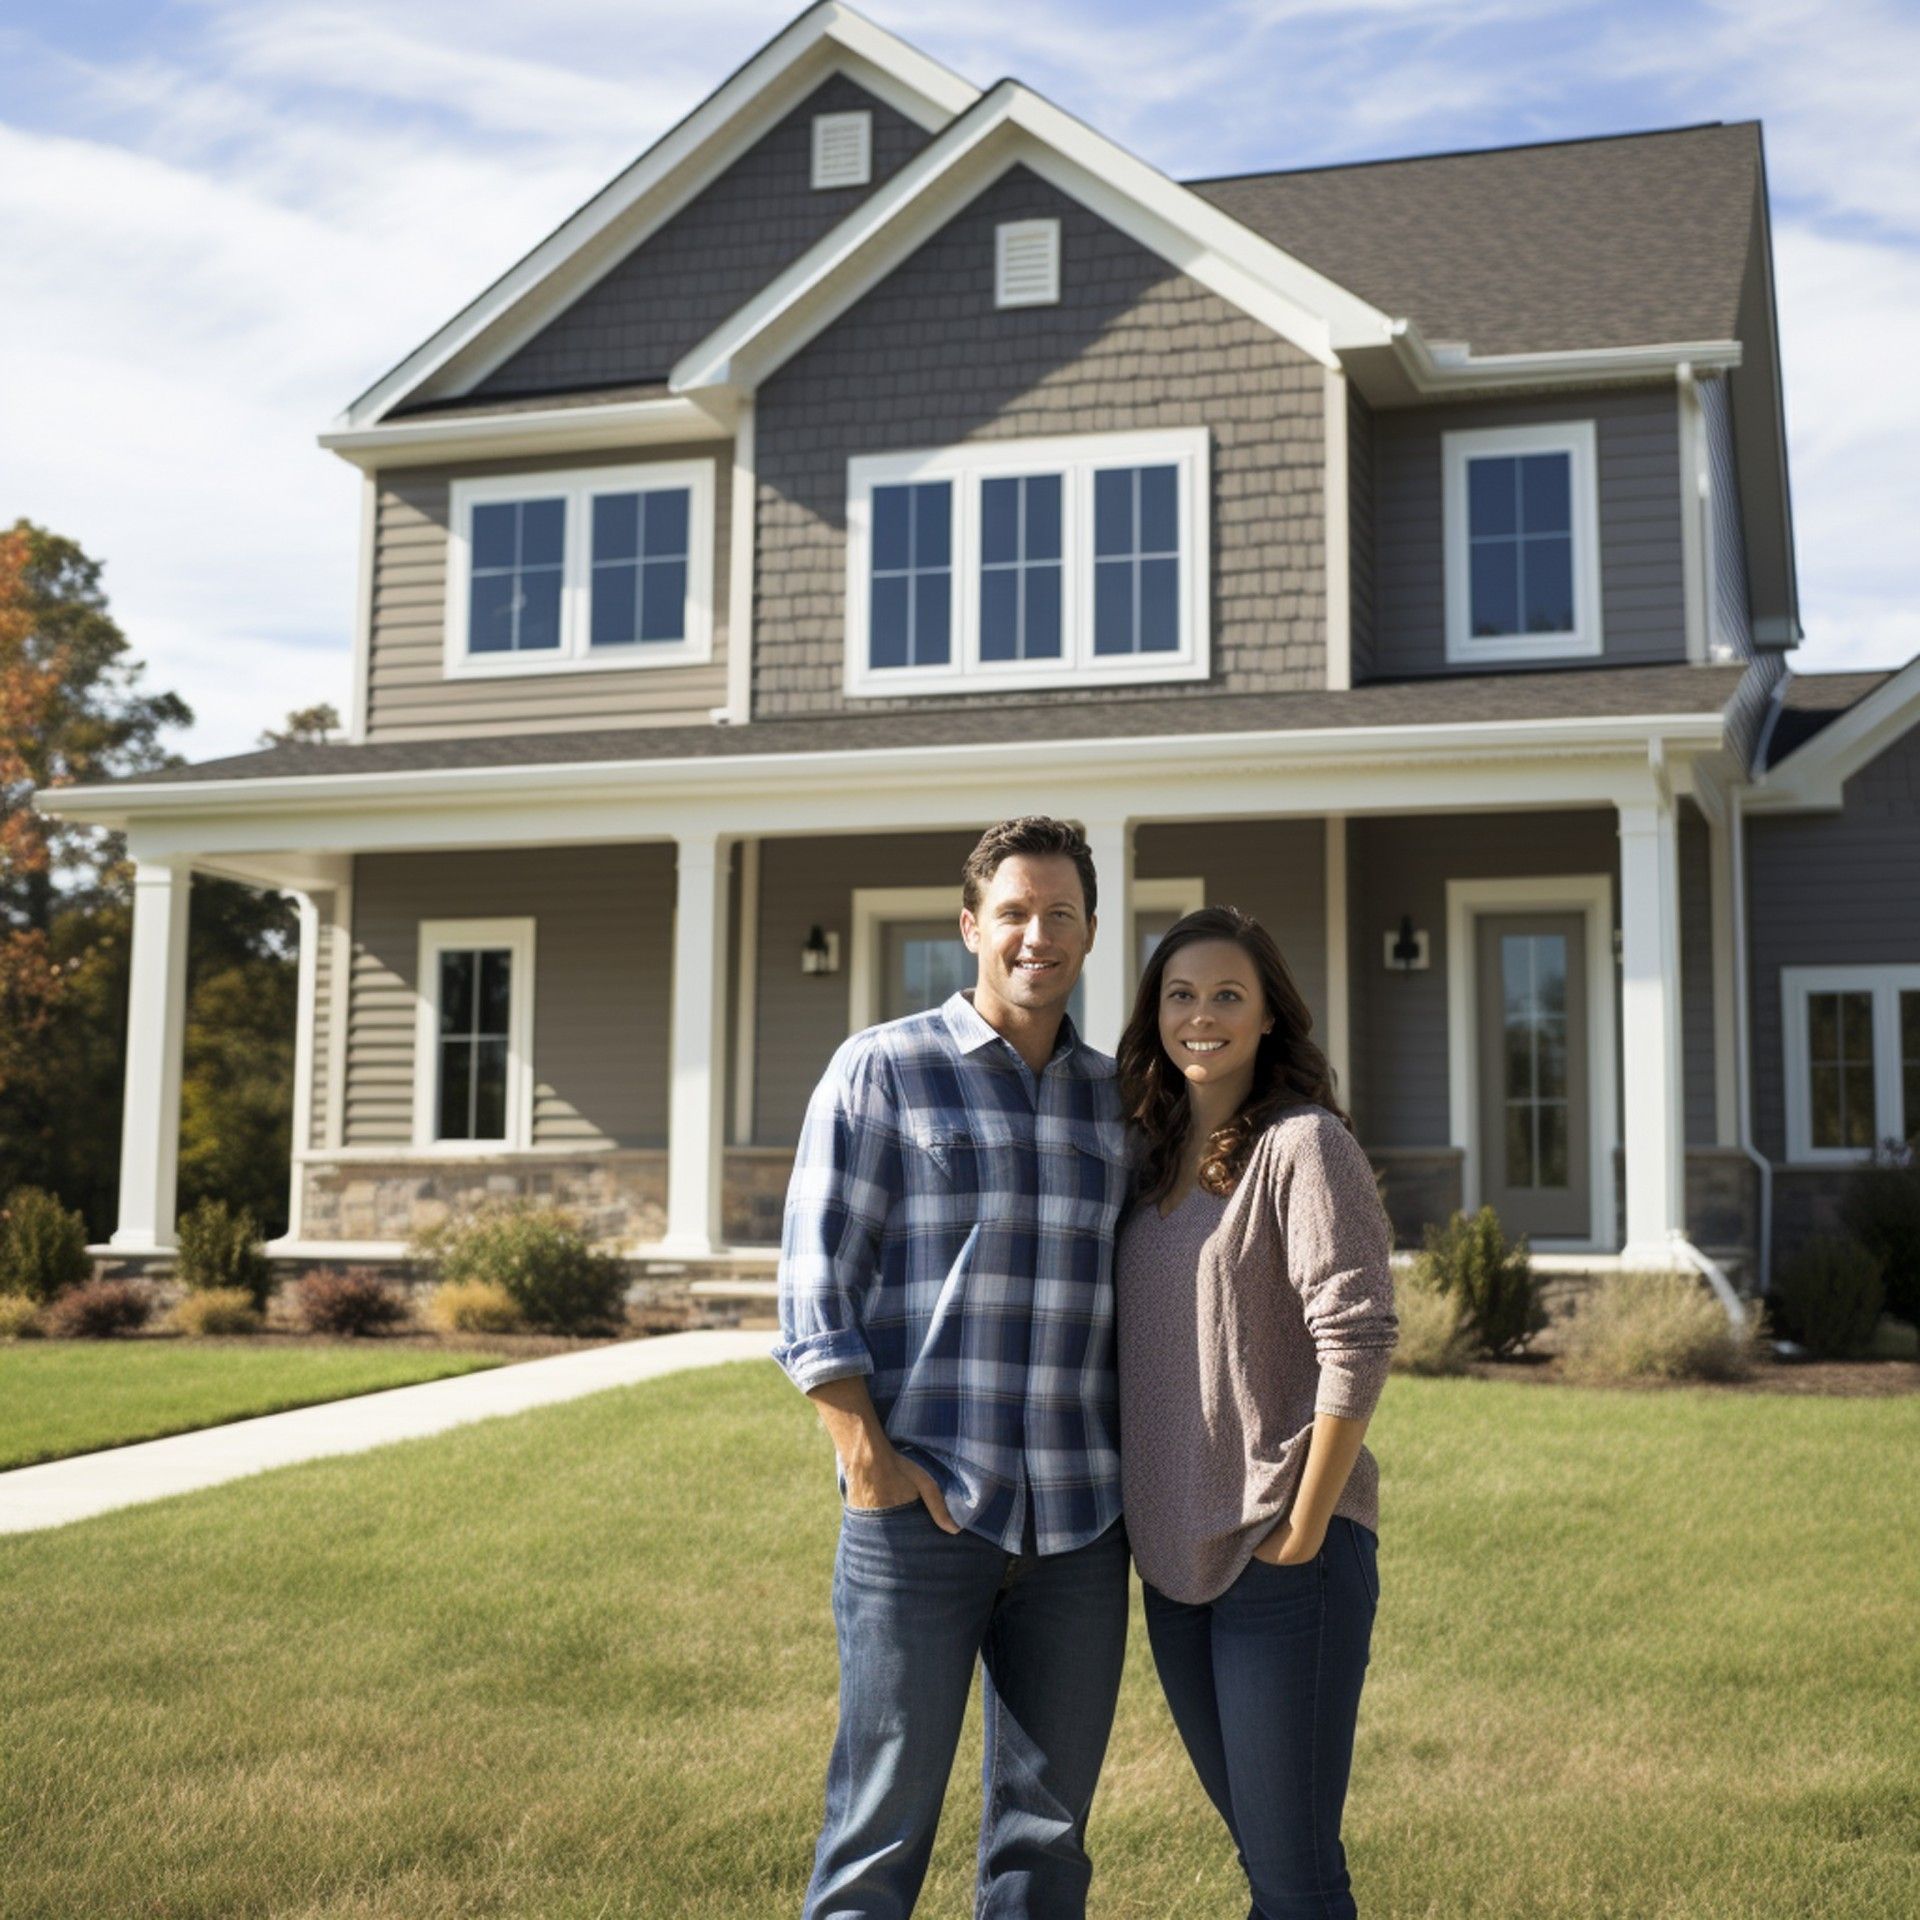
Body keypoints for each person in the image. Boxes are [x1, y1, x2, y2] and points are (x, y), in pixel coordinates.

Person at [773, 816, 1132, 1920]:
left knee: (1048, 1845)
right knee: (879, 1831)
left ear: (1090, 931)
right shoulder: (883, 1069)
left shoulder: (1120, 1102)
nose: (1038, 936)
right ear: (971, 925)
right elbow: (812, 1288)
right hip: (919, 1514)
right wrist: (868, 1464)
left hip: (1078, 1528)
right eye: (1015, 913)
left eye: (1060, 914)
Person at [1114, 905, 1398, 1920]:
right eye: (1180, 995)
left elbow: (1359, 1335)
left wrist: (1307, 1523)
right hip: (1174, 1567)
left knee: (1293, 1876)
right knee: (1272, 1864)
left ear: (1271, 1013)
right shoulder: (1144, 1159)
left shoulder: (1303, 1147)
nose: (1203, 1015)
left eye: (1228, 994)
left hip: (1285, 1561)